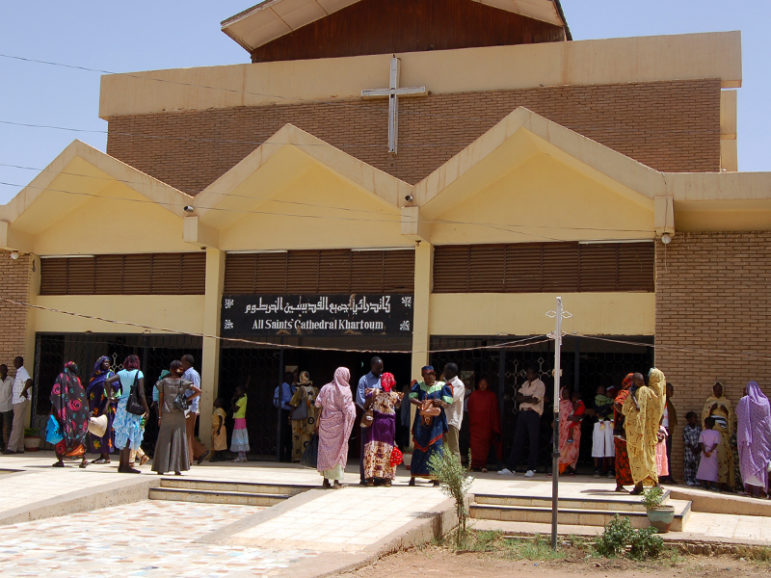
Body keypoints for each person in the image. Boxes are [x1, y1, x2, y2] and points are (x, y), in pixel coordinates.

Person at [622, 369, 666, 495]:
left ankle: (638, 486)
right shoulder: (656, 396)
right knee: (650, 458)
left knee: (637, 459)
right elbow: (659, 415)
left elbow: (628, 410)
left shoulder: (640, 392)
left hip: (637, 433)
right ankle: (655, 484)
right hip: (649, 434)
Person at [153, 360, 200, 475]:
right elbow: (198, 391)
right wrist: (187, 399)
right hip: (179, 414)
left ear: (170, 369)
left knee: (164, 441)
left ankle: (161, 468)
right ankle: (177, 468)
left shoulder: (163, 382)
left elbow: (161, 400)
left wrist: (159, 416)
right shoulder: (183, 382)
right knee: (178, 440)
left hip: (167, 414)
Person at [408, 365, 453, 486]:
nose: (428, 379)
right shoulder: (419, 386)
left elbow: (448, 402)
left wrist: (441, 402)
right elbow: (411, 397)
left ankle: (436, 476)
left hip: (436, 422)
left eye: (430, 376)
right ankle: (414, 475)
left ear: (434, 375)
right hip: (421, 421)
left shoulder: (442, 386)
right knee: (419, 447)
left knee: (436, 448)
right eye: (425, 377)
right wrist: (420, 402)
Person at [499, 366, 545, 478]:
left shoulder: (540, 385)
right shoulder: (525, 384)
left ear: (535, 374)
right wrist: (527, 398)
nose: (528, 375)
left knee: (533, 441)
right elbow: (517, 397)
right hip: (522, 413)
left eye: (530, 373)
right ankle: (511, 467)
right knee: (517, 440)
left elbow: (535, 400)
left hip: (533, 414)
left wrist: (525, 398)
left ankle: (531, 468)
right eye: (527, 373)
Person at [106, 354, 149, 474]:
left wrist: (110, 396)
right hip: (132, 408)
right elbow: (141, 393)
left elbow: (107, 381)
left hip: (121, 406)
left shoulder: (121, 373)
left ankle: (122, 465)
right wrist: (146, 409)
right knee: (129, 436)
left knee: (122, 435)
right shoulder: (138, 374)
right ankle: (125, 466)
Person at [315, 367, 356, 489]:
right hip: (339, 427)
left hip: (325, 425)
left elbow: (317, 403)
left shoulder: (326, 388)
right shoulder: (345, 391)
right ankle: (337, 481)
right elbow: (348, 409)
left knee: (325, 452)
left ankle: (326, 480)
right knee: (339, 450)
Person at [362, 372, 403, 486]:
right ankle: (387, 479)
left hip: (375, 424)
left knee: (372, 448)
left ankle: (370, 479)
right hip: (389, 426)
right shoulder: (395, 396)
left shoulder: (373, 392)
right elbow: (398, 406)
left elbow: (365, 405)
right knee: (387, 449)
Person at [50, 362, 90, 469]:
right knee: (79, 435)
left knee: (61, 434)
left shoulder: (61, 377)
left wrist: (54, 410)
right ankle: (83, 458)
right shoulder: (77, 380)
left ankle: (60, 460)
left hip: (63, 413)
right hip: (78, 414)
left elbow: (55, 394)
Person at [736, 381, 771, 498]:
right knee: (761, 463)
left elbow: (739, 415)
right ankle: (761, 491)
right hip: (763, 440)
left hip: (748, 440)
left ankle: (750, 490)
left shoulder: (744, 401)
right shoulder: (765, 402)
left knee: (749, 463)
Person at [701, 382, 735, 491]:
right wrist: (711, 409)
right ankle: (712, 482)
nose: (718, 391)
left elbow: (731, 418)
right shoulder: (709, 402)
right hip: (713, 434)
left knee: (724, 459)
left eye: (720, 389)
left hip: (723, 435)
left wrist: (726, 411)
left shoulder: (727, 402)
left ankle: (723, 482)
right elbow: (705, 417)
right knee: (714, 459)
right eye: (716, 389)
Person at [356, 356, 383, 484]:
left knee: (379, 447)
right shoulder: (364, 380)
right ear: (372, 366)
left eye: (381, 367)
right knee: (366, 447)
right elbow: (359, 399)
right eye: (378, 368)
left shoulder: (384, 379)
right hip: (368, 417)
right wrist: (370, 407)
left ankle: (378, 476)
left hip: (382, 418)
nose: (380, 370)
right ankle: (364, 476)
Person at [86, 356, 116, 464]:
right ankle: (101, 455)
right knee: (96, 430)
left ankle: (106, 456)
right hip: (95, 408)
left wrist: (107, 405)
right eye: (105, 362)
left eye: (108, 362)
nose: (107, 364)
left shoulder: (110, 375)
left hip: (105, 409)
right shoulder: (94, 377)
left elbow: (113, 391)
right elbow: (88, 393)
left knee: (106, 431)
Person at [467, 377, 501, 472]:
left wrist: (494, 425)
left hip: (486, 424)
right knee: (474, 446)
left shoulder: (491, 396)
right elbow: (470, 408)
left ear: (487, 385)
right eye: (481, 383)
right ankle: (473, 465)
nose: (482, 385)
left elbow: (494, 411)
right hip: (475, 424)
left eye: (484, 384)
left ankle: (482, 465)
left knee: (484, 446)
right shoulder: (473, 395)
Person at [181, 354, 208, 465]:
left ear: (187, 362)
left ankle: (196, 454)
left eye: (182, 361)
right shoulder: (185, 374)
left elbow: (197, 392)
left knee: (187, 433)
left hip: (190, 408)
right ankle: (192, 456)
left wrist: (188, 401)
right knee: (188, 433)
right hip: (187, 407)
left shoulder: (192, 374)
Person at [289, 371, 319, 463]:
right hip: (312, 417)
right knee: (308, 435)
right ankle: (308, 457)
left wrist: (290, 416)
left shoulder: (299, 389)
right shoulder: (315, 389)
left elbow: (294, 403)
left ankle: (298, 457)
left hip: (300, 418)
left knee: (297, 436)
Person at [5, 357, 33, 454]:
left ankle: (11, 447)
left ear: (21, 362)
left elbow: (29, 381)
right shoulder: (19, 372)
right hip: (18, 401)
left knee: (16, 424)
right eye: (14, 361)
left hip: (20, 401)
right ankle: (20, 447)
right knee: (20, 425)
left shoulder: (22, 371)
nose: (15, 363)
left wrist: (24, 391)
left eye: (17, 361)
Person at [613, 374, 635, 492]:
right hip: (622, 432)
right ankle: (620, 484)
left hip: (628, 433)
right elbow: (617, 403)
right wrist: (627, 414)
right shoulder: (624, 393)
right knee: (621, 458)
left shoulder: (632, 394)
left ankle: (625, 482)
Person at [557, 388, 584, 475]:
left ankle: (571, 468)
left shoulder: (572, 404)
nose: (566, 395)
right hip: (562, 431)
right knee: (562, 449)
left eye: (567, 393)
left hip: (573, 430)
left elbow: (577, 415)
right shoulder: (558, 405)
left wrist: (573, 419)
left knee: (573, 449)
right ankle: (561, 468)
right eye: (564, 393)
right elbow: (561, 417)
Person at [442, 362, 465, 464]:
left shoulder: (458, 385)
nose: (444, 372)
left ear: (451, 372)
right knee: (443, 448)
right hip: (443, 419)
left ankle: (456, 475)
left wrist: (440, 399)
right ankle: (443, 475)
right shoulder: (443, 383)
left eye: (446, 370)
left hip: (452, 420)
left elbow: (450, 398)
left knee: (453, 448)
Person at [592, 385, 615, 478]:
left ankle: (610, 469)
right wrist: (608, 408)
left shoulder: (612, 400)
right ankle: (596, 469)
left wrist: (605, 410)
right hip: (599, 423)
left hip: (609, 423)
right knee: (598, 445)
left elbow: (605, 411)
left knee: (609, 445)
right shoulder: (595, 400)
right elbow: (597, 411)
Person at [273, 372, 296, 462]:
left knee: (291, 434)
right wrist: (285, 404)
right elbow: (275, 401)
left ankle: (289, 456)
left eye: (292, 377)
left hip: (294, 413)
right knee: (283, 433)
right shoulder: (280, 388)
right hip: (284, 412)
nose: (290, 379)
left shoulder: (294, 388)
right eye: (288, 377)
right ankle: (281, 456)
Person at [696, 416, 720, 490]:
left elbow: (701, 443)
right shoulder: (716, 433)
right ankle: (711, 484)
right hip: (712, 452)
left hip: (705, 451)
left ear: (705, 424)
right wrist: (710, 451)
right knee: (712, 468)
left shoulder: (703, 433)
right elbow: (716, 443)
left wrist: (705, 452)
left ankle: (705, 483)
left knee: (704, 468)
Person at [661, 383, 678, 483]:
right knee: (663, 453)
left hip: (668, 431)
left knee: (667, 454)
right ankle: (663, 476)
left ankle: (667, 476)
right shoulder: (661, 402)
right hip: (662, 431)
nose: (672, 392)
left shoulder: (668, 402)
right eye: (671, 390)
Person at [682, 411, 701, 487]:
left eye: (695, 418)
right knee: (688, 465)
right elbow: (685, 439)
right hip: (689, 451)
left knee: (696, 465)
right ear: (689, 419)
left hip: (697, 450)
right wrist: (692, 448)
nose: (695, 419)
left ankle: (695, 479)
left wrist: (698, 448)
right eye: (693, 418)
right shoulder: (686, 429)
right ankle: (688, 479)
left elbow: (700, 438)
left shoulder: (698, 428)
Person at [231, 386, 250, 462]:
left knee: (239, 438)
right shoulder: (245, 397)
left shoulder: (241, 400)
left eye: (238, 391)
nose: (236, 393)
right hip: (241, 420)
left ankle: (240, 456)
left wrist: (232, 401)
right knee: (242, 437)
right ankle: (243, 456)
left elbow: (235, 409)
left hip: (239, 419)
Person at [0, 364, 13, 450]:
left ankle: (8, 446)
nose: (3, 371)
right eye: (1, 370)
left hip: (8, 407)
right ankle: (1, 445)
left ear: (7, 371)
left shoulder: (11, 380)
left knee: (8, 427)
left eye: (4, 370)